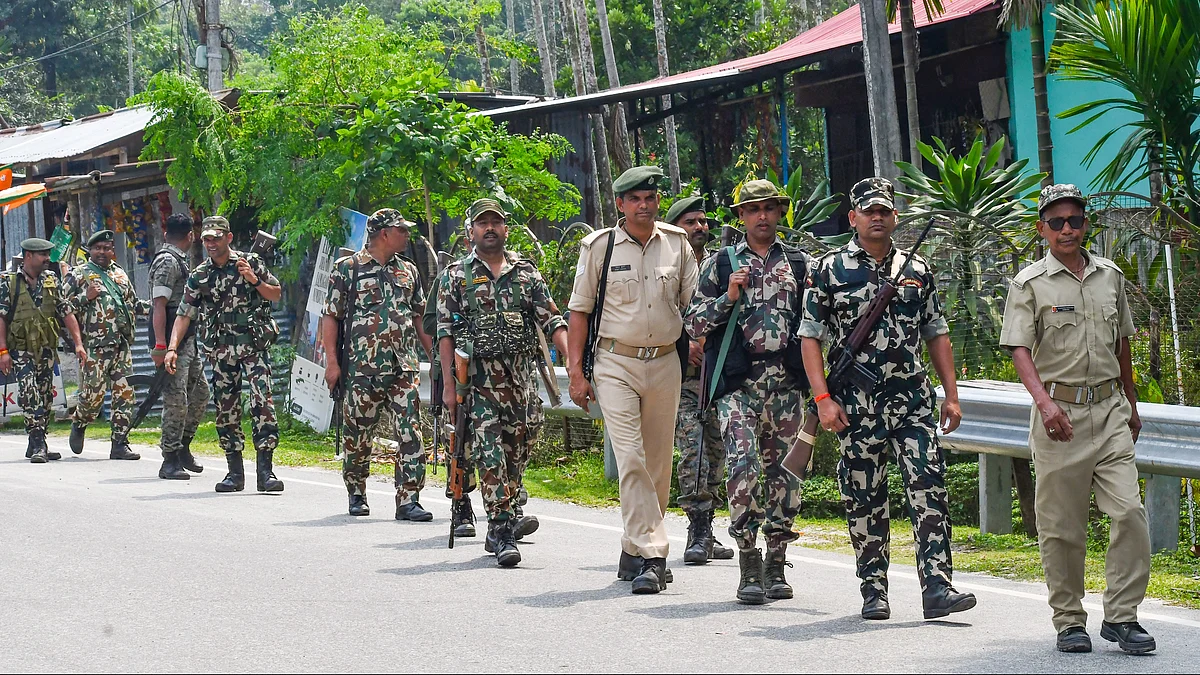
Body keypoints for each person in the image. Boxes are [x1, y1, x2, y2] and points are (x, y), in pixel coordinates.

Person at [798, 177, 976, 620]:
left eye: (885, 211)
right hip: (856, 405)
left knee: (928, 487)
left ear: (895, 217)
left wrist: (950, 395)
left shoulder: (918, 271)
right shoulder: (828, 269)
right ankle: (874, 589)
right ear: (854, 217)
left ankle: (937, 587)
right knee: (864, 495)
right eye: (868, 211)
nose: (877, 217)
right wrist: (822, 398)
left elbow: (937, 333)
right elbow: (810, 338)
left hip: (913, 401)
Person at [999, 184, 1154, 655]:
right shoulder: (1028, 284)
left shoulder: (1110, 276)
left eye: (1075, 221)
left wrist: (1132, 402)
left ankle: (1122, 616)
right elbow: (1019, 350)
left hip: (1109, 412)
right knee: (1062, 527)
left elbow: (1123, 344)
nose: (1067, 229)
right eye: (1056, 222)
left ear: (1086, 225)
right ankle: (1069, 620)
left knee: (1129, 512)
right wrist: (1045, 404)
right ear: (1042, 228)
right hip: (1058, 417)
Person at [567, 166, 699, 594]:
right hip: (614, 363)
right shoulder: (599, 247)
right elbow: (579, 313)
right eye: (634, 199)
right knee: (631, 457)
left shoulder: (677, 246)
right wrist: (575, 372)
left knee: (659, 462)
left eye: (650, 198)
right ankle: (654, 554)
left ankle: (633, 546)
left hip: (664, 362)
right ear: (620, 205)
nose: (644, 205)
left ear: (658, 201)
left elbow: (693, 307)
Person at [684, 180, 812, 604]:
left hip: (788, 385)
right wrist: (728, 296)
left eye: (769, 208)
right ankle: (748, 559)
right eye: (753, 209)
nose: (761, 216)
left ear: (780, 213)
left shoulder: (798, 262)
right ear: (741, 216)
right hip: (739, 384)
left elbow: (818, 321)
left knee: (787, 477)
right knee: (744, 465)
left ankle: (777, 562)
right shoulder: (722, 263)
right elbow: (694, 324)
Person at [438, 198, 568, 567]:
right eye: (482, 223)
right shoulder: (456, 275)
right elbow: (445, 332)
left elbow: (551, 320)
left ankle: (505, 515)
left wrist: (571, 358)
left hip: (519, 385)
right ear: (472, 231)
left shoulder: (526, 273)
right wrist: (450, 387)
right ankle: (500, 530)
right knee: (490, 454)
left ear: (506, 229)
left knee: (515, 457)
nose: (489, 228)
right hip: (476, 385)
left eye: (495, 222)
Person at [322, 208, 434, 519]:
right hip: (361, 369)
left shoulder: (408, 271)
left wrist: (435, 358)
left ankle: (409, 498)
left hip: (403, 367)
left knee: (411, 431)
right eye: (402, 230)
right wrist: (332, 364)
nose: (407, 234)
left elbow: (419, 317)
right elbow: (331, 317)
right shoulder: (347, 269)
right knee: (358, 436)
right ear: (384, 234)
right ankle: (356, 491)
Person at [165, 216, 284, 494]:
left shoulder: (250, 262)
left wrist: (253, 280)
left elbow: (275, 294)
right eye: (206, 239)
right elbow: (185, 313)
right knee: (225, 409)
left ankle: (266, 473)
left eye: (216, 238)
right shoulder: (200, 275)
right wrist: (172, 348)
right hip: (221, 351)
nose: (211, 243)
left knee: (262, 402)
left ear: (228, 238)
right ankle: (234, 473)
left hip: (253, 347)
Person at [665, 194, 736, 566]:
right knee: (692, 451)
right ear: (675, 228)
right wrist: (685, 342)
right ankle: (697, 528)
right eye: (691, 222)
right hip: (682, 378)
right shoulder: (665, 266)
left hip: (719, 375)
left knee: (717, 451)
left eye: (703, 221)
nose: (700, 228)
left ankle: (709, 527)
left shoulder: (720, 266)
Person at [64, 230, 148, 460]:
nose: (102, 252)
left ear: (113, 250)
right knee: (93, 397)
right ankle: (80, 422)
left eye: (106, 248)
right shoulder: (79, 274)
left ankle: (120, 443)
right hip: (94, 347)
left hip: (121, 346)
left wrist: (163, 308)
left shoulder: (120, 274)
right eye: (97, 248)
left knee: (125, 393)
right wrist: (86, 297)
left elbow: (134, 304)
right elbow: (62, 307)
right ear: (90, 251)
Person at [0, 238, 85, 462]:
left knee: (47, 396)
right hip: (20, 349)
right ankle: (38, 442)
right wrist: (3, 352)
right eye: (43, 255)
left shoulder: (51, 279)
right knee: (30, 393)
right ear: (28, 256)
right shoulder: (8, 282)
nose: (48, 259)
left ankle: (36, 442)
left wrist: (78, 343)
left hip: (46, 348)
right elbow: (1, 318)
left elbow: (66, 312)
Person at [150, 213, 209, 480]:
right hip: (172, 343)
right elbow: (159, 306)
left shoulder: (179, 260)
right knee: (176, 400)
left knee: (200, 394)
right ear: (190, 236)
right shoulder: (167, 261)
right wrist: (162, 346)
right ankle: (169, 459)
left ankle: (183, 446)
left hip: (187, 340)